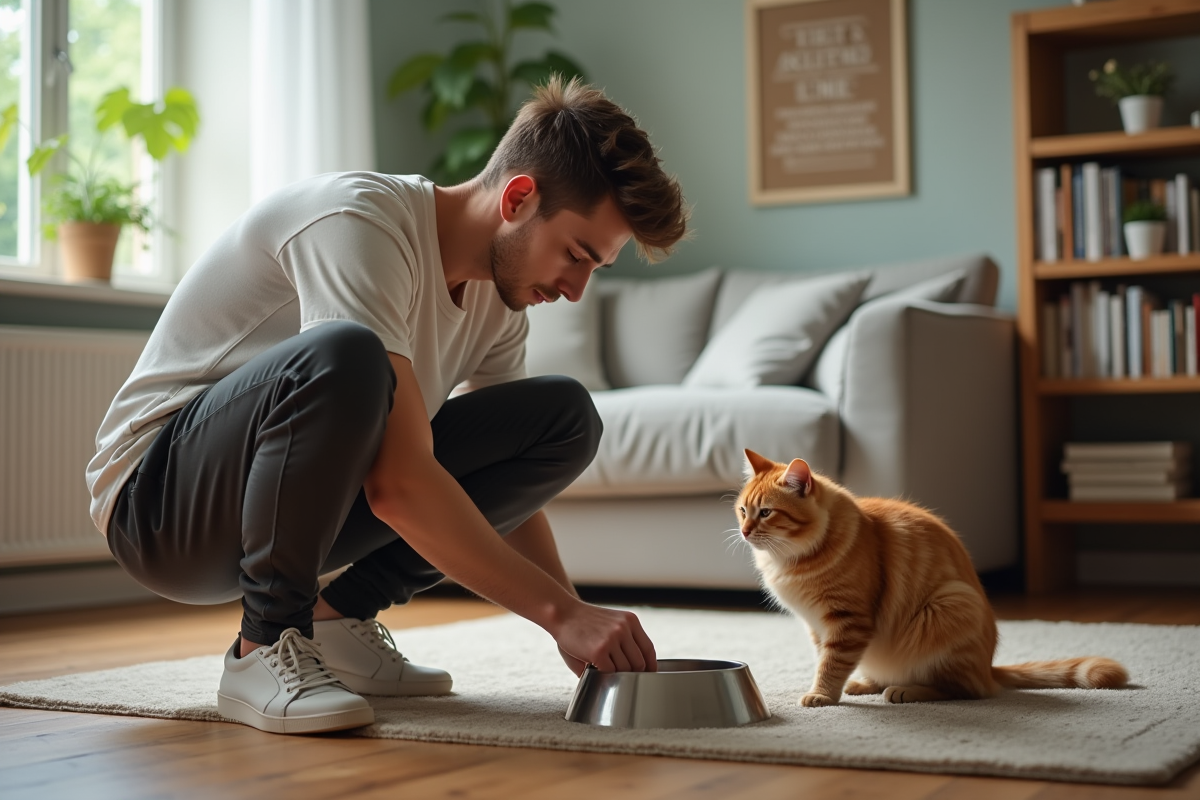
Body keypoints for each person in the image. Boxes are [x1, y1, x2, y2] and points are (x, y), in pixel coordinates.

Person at [85, 76, 689, 735]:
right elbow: (400, 485)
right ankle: (264, 645)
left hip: (283, 506)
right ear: (518, 197)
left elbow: (499, 489)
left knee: (562, 418)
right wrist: (558, 614)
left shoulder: (500, 300)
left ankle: (336, 621)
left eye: (594, 268)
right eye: (576, 254)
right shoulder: (360, 223)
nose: (575, 289)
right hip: (159, 506)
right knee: (346, 352)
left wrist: (573, 616)